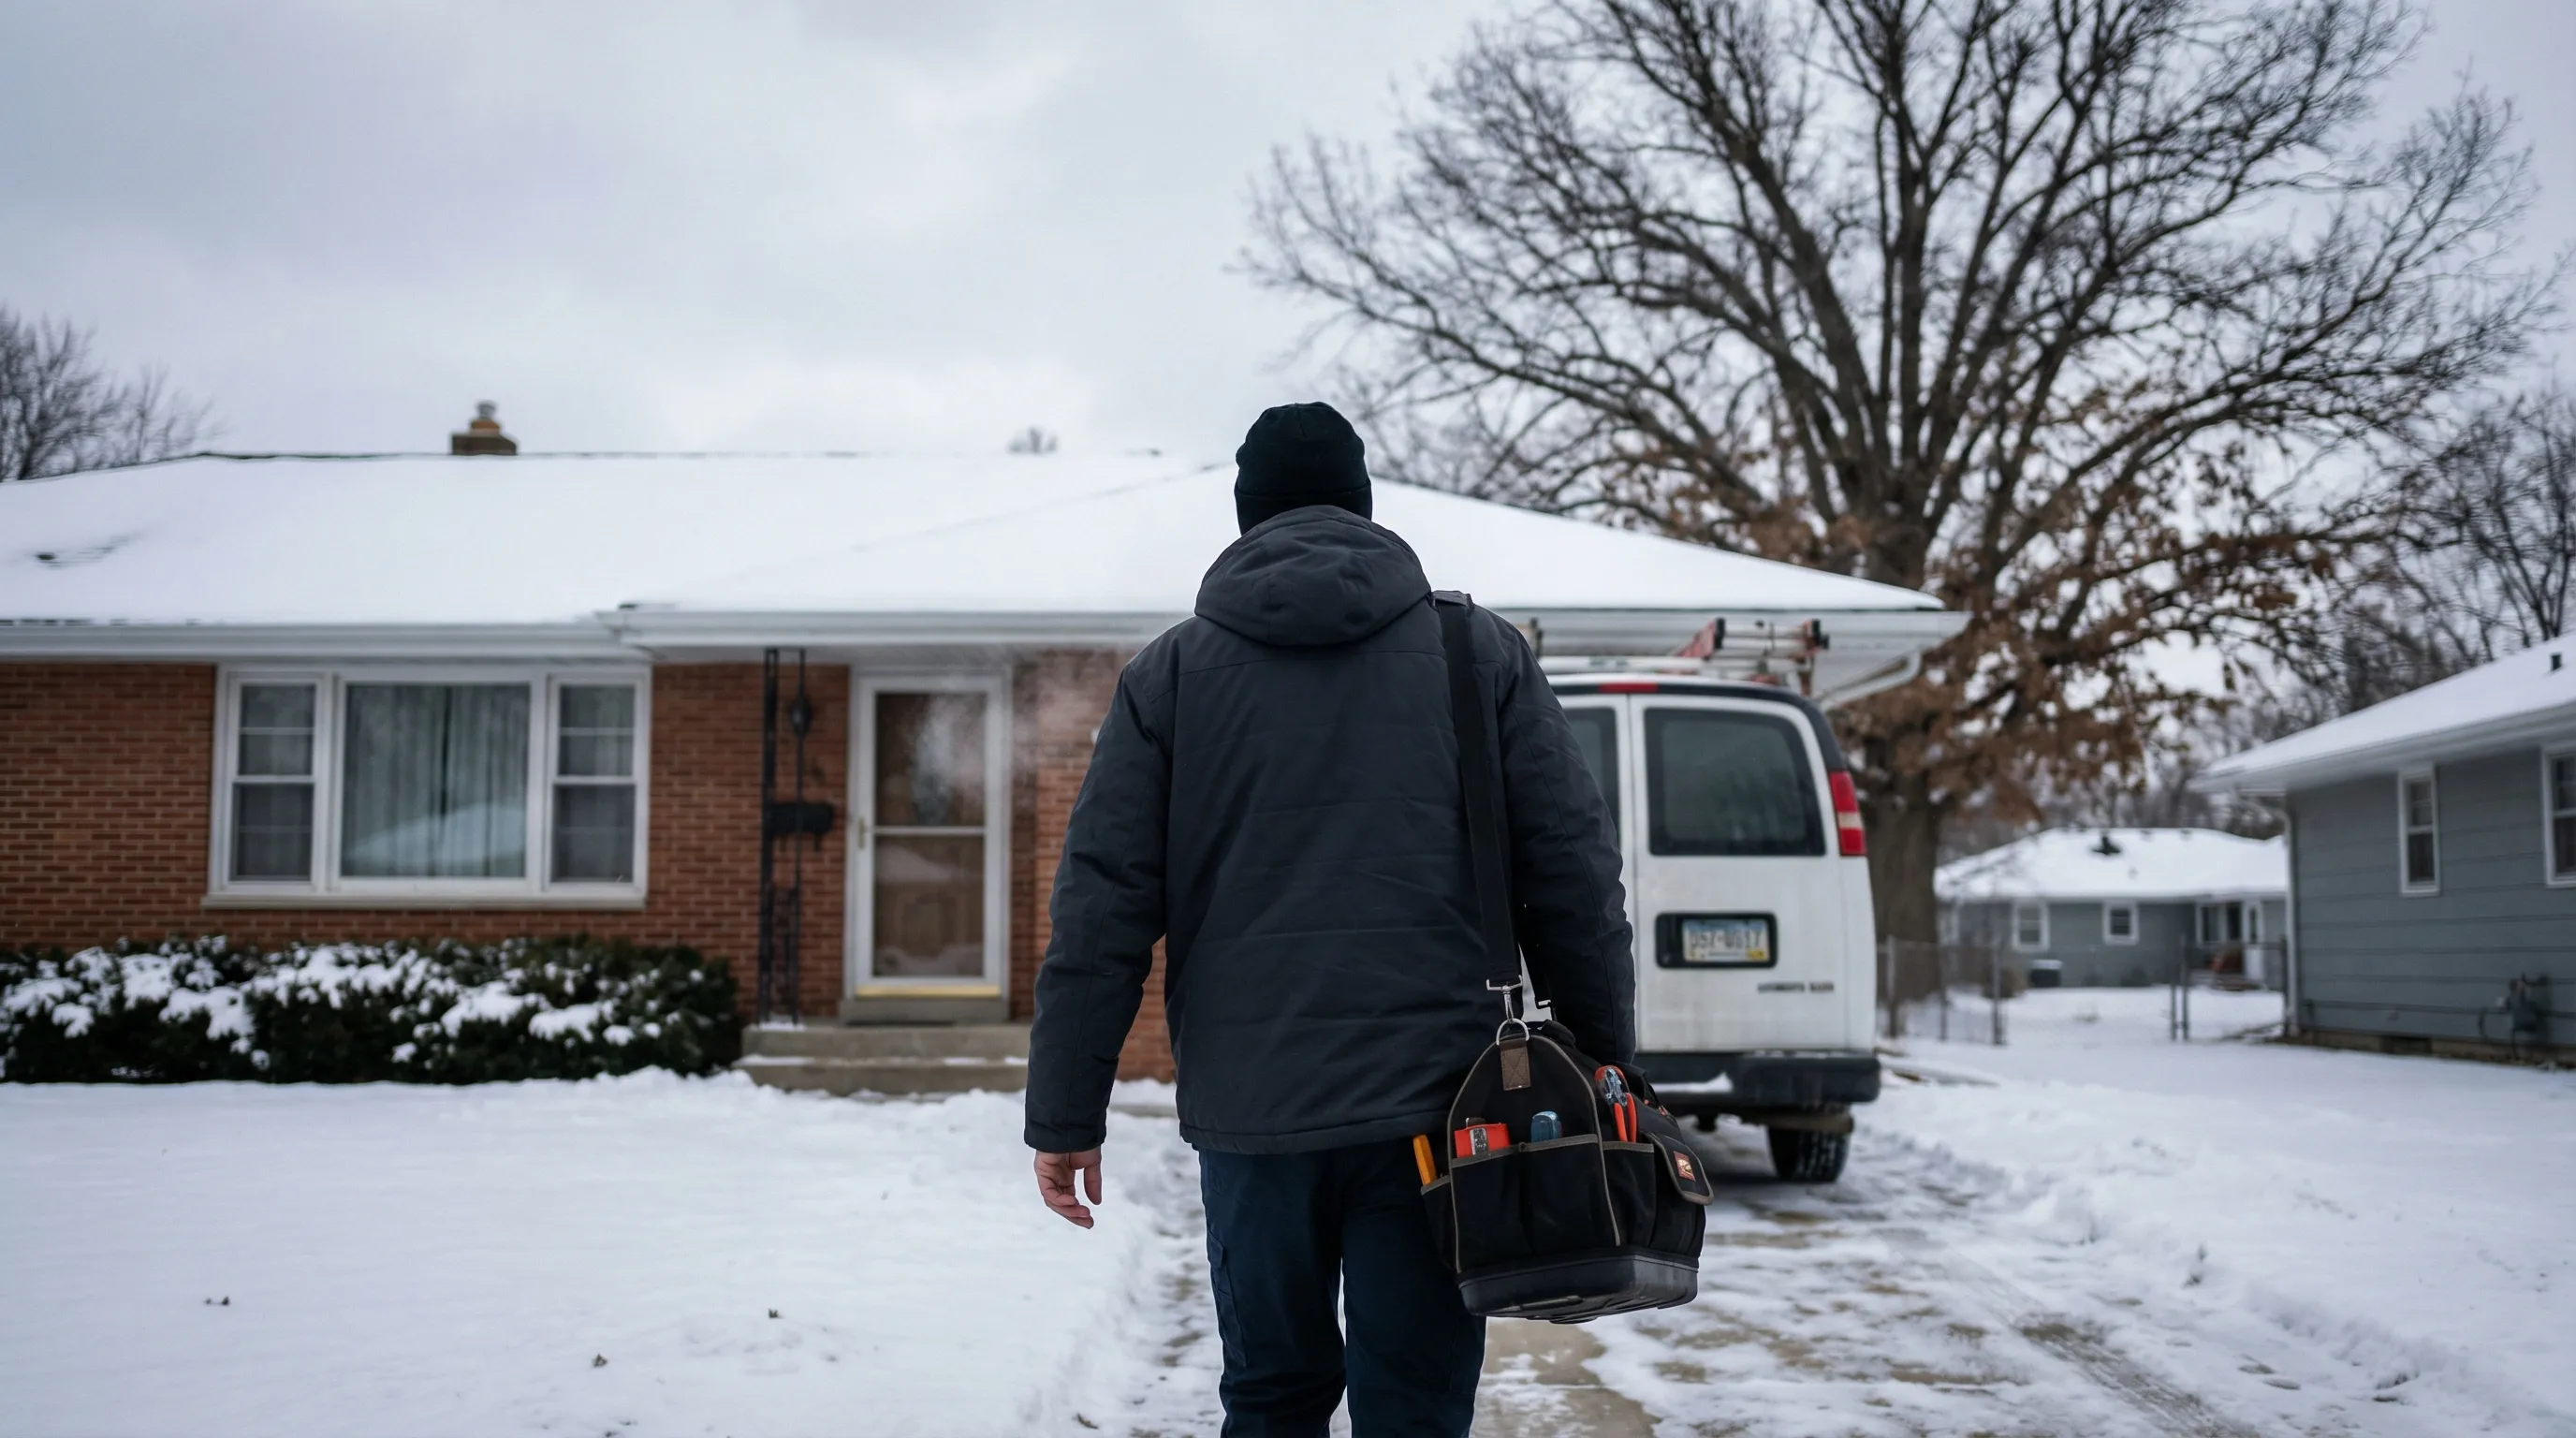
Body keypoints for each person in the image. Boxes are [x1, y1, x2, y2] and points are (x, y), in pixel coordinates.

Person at [1022, 402, 1633, 1438]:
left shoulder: (1168, 678)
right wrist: (1608, 1057)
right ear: (1361, 506)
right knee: (1416, 1403)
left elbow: (1102, 909)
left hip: (1255, 1120)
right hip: (1441, 1115)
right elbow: (1572, 874)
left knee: (1271, 1395)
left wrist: (1064, 1114)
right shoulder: (1474, 653)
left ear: (1244, 516)